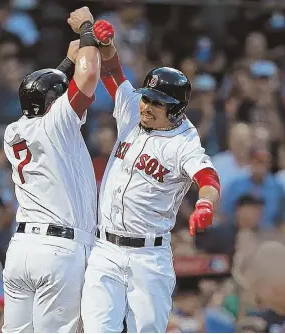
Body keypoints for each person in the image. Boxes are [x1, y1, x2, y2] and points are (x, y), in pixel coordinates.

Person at [80, 20, 220, 333]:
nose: (148, 106)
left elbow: (208, 177)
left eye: (159, 103)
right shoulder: (133, 109)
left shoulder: (184, 141)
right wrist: (107, 44)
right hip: (105, 249)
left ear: (177, 110)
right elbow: (113, 73)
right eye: (147, 97)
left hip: (148, 257)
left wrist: (205, 205)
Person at [2, 7, 101, 333]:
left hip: (21, 250)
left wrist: (67, 62)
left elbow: (43, 90)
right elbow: (88, 77)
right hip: (59, 250)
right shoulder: (57, 123)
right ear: (54, 103)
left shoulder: (14, 130)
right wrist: (87, 28)